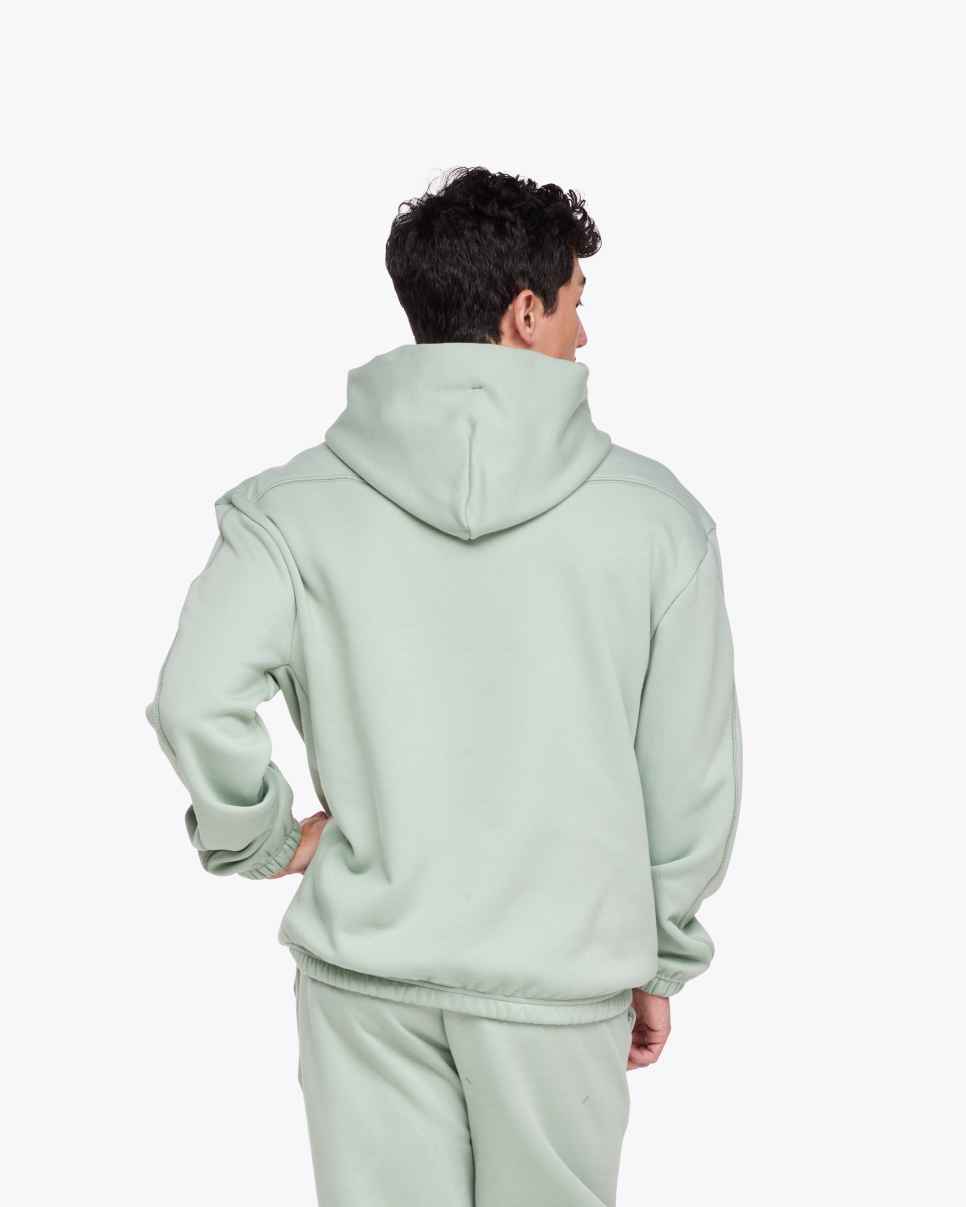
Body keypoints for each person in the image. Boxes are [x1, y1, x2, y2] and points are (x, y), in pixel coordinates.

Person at [146, 165, 743, 1207]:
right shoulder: (657, 522)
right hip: (561, 989)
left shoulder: (289, 510)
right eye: (577, 302)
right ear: (525, 311)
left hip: (367, 982)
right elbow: (688, 776)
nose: (585, 334)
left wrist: (266, 839)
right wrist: (660, 959)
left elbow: (197, 695)